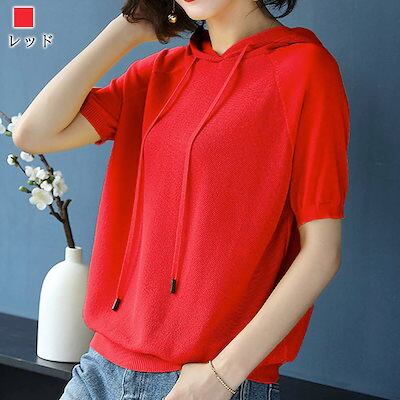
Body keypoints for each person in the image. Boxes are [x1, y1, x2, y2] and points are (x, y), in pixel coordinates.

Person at [13, 0, 350, 399]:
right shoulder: (159, 73)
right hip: (102, 369)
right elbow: (33, 134)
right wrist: (127, 29)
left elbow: (322, 252)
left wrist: (221, 377)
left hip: (206, 382)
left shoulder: (304, 69)